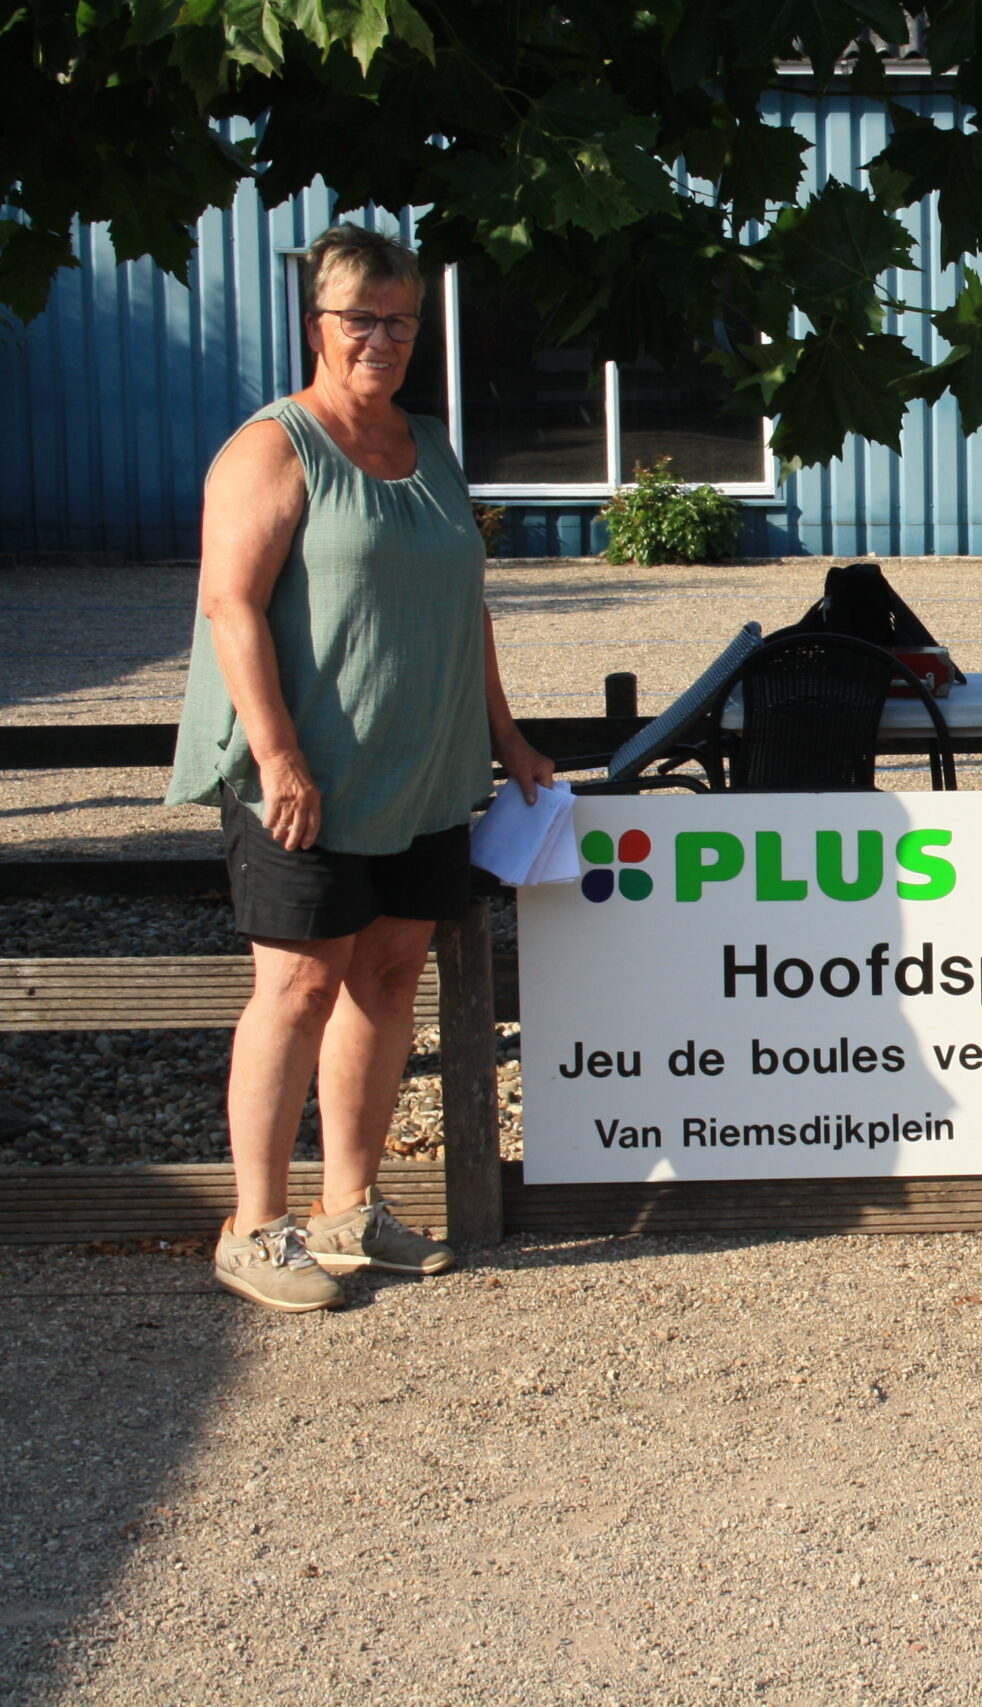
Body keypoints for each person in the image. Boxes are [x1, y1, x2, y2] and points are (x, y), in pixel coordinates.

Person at [167, 224, 553, 1312]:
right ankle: (254, 1228)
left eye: (401, 321)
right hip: (310, 780)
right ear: (317, 326)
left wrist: (506, 736)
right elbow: (229, 606)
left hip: (423, 768)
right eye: (360, 320)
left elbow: (462, 604)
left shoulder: (429, 444)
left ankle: (349, 1206)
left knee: (386, 981)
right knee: (295, 988)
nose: (381, 339)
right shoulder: (271, 447)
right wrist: (279, 755)